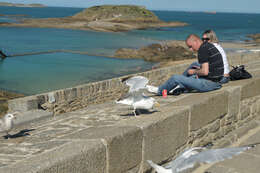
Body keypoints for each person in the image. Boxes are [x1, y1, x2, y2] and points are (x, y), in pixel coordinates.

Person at [146, 34, 223, 95]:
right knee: (194, 64)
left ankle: (160, 90)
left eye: (190, 46)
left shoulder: (202, 50)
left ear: (196, 41)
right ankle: (179, 84)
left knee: (175, 78)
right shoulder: (207, 45)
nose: (190, 49)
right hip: (217, 81)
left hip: (209, 84)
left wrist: (193, 72)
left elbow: (205, 72)